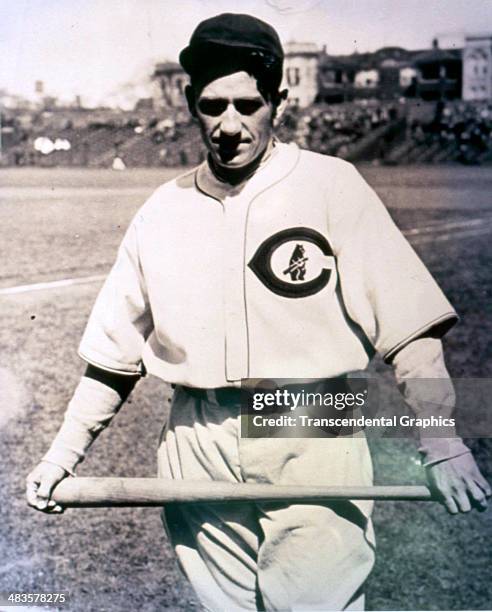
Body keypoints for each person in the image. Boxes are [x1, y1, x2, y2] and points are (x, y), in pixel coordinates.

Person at [26, 13, 490, 611]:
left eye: (248, 105)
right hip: (195, 436)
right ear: (191, 102)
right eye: (213, 106)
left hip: (311, 418)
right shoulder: (160, 212)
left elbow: (410, 331)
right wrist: (61, 455)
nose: (229, 125)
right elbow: (112, 358)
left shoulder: (332, 186)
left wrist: (441, 440)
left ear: (280, 99)